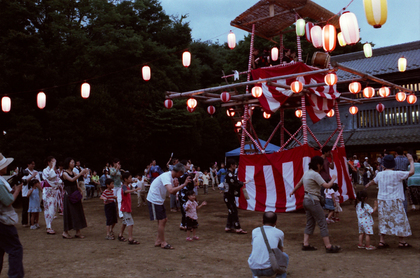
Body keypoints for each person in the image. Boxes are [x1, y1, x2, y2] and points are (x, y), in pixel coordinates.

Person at [290, 156, 340, 253]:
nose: (322, 168)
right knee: (322, 222)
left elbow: (299, 184)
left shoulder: (306, 173)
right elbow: (327, 186)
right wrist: (333, 179)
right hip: (314, 201)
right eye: (321, 166)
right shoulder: (315, 174)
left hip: (306, 200)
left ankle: (306, 243)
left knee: (310, 222)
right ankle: (328, 246)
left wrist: (293, 191)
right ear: (318, 165)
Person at [365, 154, 414, 248]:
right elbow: (411, 172)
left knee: (383, 220)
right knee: (399, 219)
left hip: (383, 200)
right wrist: (411, 161)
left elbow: (374, 181)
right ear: (394, 165)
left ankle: (382, 241)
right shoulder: (397, 173)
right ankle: (401, 241)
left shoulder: (379, 174)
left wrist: (368, 185)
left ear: (383, 165)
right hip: (395, 199)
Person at [147, 163, 191, 249]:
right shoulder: (166, 176)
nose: (181, 176)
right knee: (162, 220)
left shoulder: (171, 178)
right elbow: (171, 191)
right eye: (181, 174)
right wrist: (183, 185)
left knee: (163, 220)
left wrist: (176, 186)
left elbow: (173, 192)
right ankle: (163, 242)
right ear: (179, 172)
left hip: (159, 200)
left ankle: (158, 240)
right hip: (154, 199)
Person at [0, 153, 24, 278]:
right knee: (16, 249)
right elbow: (8, 201)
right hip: (3, 221)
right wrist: (17, 191)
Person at [248, 211, 289, 278]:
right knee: (285, 256)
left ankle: (255, 276)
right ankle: (280, 276)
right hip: (269, 270)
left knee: (252, 255)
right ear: (275, 222)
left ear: (262, 221)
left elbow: (254, 248)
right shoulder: (279, 233)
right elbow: (280, 253)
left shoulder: (254, 231)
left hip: (254, 269)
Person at [62, 157, 88, 239]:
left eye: (73, 162)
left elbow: (77, 180)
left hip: (74, 193)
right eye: (72, 162)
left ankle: (78, 232)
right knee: (69, 213)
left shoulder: (73, 172)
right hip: (69, 194)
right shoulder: (64, 173)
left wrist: (79, 189)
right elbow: (72, 180)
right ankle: (65, 232)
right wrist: (81, 173)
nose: (73, 164)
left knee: (77, 211)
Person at [223, 159, 247, 234]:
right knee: (233, 211)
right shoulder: (229, 175)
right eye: (234, 164)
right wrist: (243, 183)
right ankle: (238, 228)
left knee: (232, 211)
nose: (235, 166)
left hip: (230, 195)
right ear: (231, 165)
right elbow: (235, 183)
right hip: (228, 195)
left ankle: (228, 226)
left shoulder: (230, 174)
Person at [118, 172, 141, 245]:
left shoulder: (127, 185)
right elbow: (125, 191)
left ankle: (120, 235)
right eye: (130, 178)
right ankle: (130, 239)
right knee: (130, 223)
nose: (131, 179)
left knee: (125, 222)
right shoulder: (124, 186)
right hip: (125, 208)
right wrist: (135, 190)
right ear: (125, 179)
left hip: (126, 207)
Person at [42, 156, 62, 235]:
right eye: (52, 161)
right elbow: (51, 176)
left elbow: (59, 181)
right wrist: (53, 166)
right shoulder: (45, 170)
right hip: (48, 191)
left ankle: (49, 225)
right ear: (48, 162)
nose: (54, 163)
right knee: (48, 209)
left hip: (54, 192)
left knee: (53, 209)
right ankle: (48, 226)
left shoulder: (55, 171)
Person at [21, 159, 40, 227]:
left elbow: (38, 181)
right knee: (25, 208)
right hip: (25, 192)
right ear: (28, 165)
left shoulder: (36, 172)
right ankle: (24, 222)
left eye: (34, 164)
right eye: (32, 164)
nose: (33, 165)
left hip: (34, 193)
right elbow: (24, 181)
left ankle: (33, 222)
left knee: (33, 208)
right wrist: (32, 176)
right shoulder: (24, 172)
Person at [394, 147, 410, 212]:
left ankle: (397, 210)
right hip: (404, 178)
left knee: (395, 195)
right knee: (403, 195)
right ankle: (404, 210)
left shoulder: (394, 160)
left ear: (396, 153)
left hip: (396, 178)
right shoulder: (406, 160)